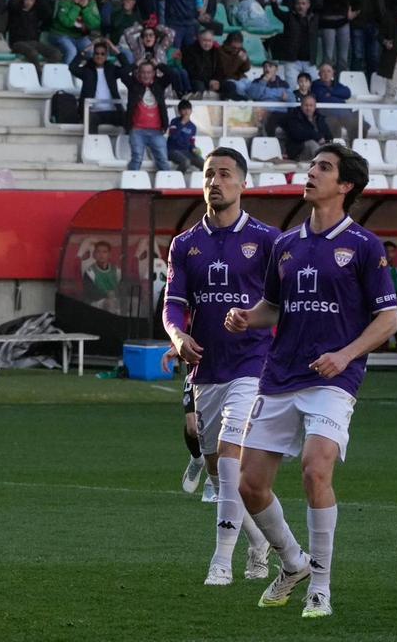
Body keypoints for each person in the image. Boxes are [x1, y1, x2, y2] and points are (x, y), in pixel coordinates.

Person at [227, 143, 397, 618]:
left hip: (332, 379)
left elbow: (388, 320)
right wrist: (247, 317)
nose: (311, 173)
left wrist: (344, 356)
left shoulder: (364, 246)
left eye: (323, 168)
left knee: (314, 468)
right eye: (312, 166)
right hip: (279, 376)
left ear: (345, 186)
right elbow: (274, 308)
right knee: (250, 485)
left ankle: (320, 586)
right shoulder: (285, 245)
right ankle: (292, 563)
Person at [163, 147, 279, 586]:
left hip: (253, 364)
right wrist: (178, 337)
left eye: (225, 174)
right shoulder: (185, 244)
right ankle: (260, 542)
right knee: (219, 471)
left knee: (231, 459)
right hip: (206, 370)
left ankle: (220, 561)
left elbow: (285, 306)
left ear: (243, 183)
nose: (216, 181)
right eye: (209, 174)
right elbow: (172, 307)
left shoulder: (268, 241)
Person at [122, 60, 174, 171]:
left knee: (163, 160)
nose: (146, 75)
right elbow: (122, 74)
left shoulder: (159, 84)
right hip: (137, 130)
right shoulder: (133, 85)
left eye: (149, 72)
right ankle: (131, 186)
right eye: (143, 72)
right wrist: (136, 63)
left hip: (157, 131)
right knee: (136, 159)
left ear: (153, 73)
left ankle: (166, 186)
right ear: (139, 73)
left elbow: (172, 74)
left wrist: (158, 64)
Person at [166, 101, 203, 173]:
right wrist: (182, 123)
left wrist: (194, 149)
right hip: (172, 150)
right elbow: (172, 137)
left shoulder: (193, 126)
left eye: (188, 109)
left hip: (186, 152)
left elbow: (191, 143)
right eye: (184, 109)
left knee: (205, 164)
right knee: (186, 162)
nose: (186, 111)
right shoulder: (174, 122)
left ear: (191, 110)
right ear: (179, 111)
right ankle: (178, 180)